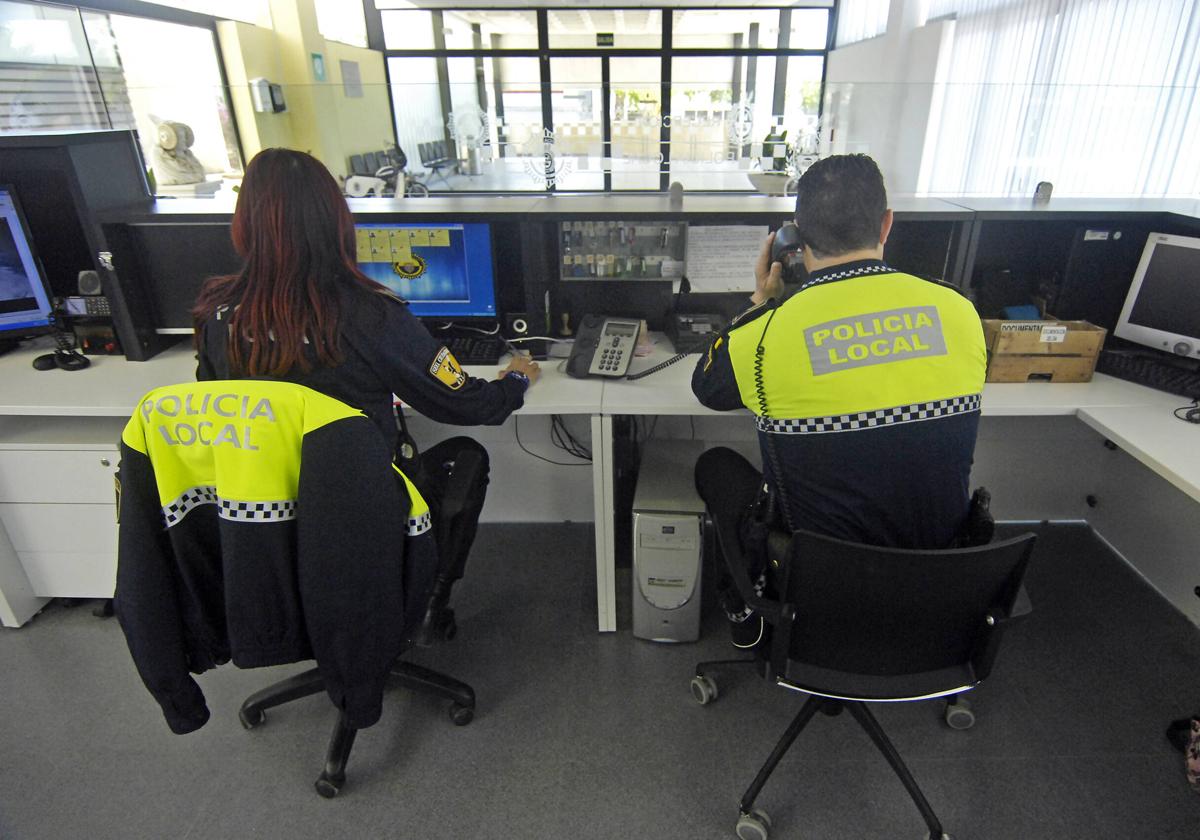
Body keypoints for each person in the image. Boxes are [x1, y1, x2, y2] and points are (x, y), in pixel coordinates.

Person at [192, 148, 539, 604]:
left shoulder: (217, 313)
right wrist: (515, 380)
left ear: (244, 223)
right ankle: (425, 601)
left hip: (266, 512)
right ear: (335, 220)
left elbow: (213, 401)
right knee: (467, 456)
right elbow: (465, 402)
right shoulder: (369, 312)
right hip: (364, 507)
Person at [691, 153, 987, 646]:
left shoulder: (762, 336)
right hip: (935, 576)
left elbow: (707, 387)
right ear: (886, 224)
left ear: (795, 237)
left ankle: (749, 611)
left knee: (715, 465)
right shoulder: (959, 312)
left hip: (814, 583)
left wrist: (760, 299)